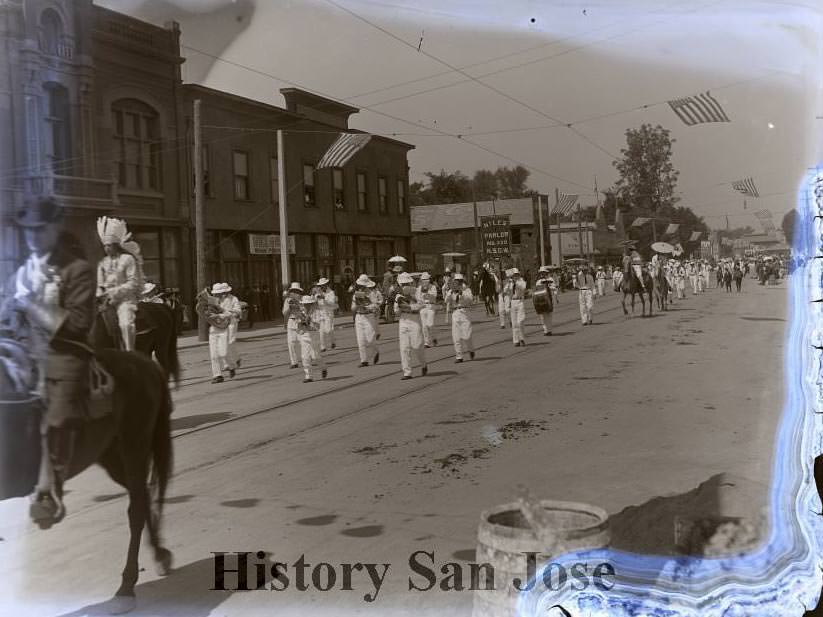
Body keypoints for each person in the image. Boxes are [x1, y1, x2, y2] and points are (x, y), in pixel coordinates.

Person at [0, 197, 95, 525]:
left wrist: (30, 306)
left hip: (63, 353)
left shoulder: (77, 269)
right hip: (22, 351)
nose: (33, 236)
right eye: (28, 230)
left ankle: (48, 489)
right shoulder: (20, 274)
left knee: (56, 416)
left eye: (40, 229)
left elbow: (80, 324)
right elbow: (5, 313)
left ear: (55, 228)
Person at [96, 216, 142, 351]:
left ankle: (129, 352)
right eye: (104, 245)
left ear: (116, 245)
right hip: (105, 302)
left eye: (109, 245)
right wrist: (99, 295)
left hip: (125, 300)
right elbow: (100, 285)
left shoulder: (127, 259)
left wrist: (113, 292)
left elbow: (133, 282)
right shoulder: (103, 263)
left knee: (126, 324)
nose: (106, 248)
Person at [395, 273, 428, 380]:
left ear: (410, 283)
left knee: (417, 345)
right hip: (404, 320)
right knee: (404, 348)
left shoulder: (417, 291)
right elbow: (396, 311)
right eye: (402, 284)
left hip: (414, 319)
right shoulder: (398, 295)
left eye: (406, 283)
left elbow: (422, 304)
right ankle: (407, 372)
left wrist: (411, 305)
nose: (404, 285)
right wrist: (400, 307)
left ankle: (423, 364)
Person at [351, 274, 381, 367]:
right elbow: (352, 308)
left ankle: (376, 351)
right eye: (360, 285)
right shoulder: (356, 294)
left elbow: (376, 306)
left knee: (370, 338)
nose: (361, 287)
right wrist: (356, 304)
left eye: (363, 285)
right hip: (359, 317)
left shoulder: (371, 293)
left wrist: (366, 305)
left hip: (369, 316)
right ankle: (364, 360)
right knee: (360, 340)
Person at [296, 295, 327, 383]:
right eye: (305, 304)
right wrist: (301, 322)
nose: (307, 306)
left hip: (314, 335)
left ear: (312, 304)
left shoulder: (316, 312)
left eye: (309, 304)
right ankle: (308, 376)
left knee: (316, 356)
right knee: (305, 357)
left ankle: (323, 367)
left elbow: (318, 326)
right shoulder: (301, 313)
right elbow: (298, 326)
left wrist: (310, 321)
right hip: (305, 335)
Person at [446, 273, 475, 363]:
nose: (456, 283)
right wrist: (450, 293)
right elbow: (446, 300)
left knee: (467, 336)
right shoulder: (451, 291)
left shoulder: (466, 290)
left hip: (464, 313)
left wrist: (461, 293)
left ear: (461, 282)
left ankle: (470, 349)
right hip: (455, 313)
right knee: (456, 337)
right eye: (455, 282)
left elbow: (470, 300)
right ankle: (459, 356)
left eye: (457, 281)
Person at [214, 282, 242, 372]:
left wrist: (229, 311)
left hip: (232, 322)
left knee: (230, 342)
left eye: (225, 292)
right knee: (222, 343)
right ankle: (229, 362)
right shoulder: (217, 300)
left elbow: (238, 310)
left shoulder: (234, 299)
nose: (223, 294)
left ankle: (235, 359)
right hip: (221, 323)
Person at [282, 282, 304, 369]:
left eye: (297, 292)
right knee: (291, 343)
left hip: (301, 323)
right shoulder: (287, 301)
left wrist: (297, 305)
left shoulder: (303, 299)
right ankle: (294, 362)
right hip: (291, 323)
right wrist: (289, 307)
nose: (295, 293)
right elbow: (284, 313)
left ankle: (306, 358)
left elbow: (305, 311)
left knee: (303, 342)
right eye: (293, 291)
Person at [313, 277, 338, 352]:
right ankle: (322, 346)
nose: (322, 286)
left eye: (324, 285)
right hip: (320, 313)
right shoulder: (318, 293)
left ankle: (333, 341)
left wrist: (324, 298)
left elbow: (332, 303)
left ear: (327, 285)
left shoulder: (331, 292)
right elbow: (314, 302)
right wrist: (315, 297)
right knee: (321, 330)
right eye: (321, 285)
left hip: (328, 313)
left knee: (328, 330)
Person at [417, 272, 438, 347]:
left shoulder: (433, 287)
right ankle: (427, 342)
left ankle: (434, 337)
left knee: (430, 324)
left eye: (426, 280)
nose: (425, 281)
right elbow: (418, 298)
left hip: (431, 307)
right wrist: (421, 299)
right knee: (424, 326)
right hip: (423, 307)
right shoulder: (419, 288)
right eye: (423, 280)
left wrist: (428, 294)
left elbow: (434, 296)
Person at [533, 266, 554, 336]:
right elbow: (536, 290)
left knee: (549, 314)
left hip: (549, 298)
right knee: (542, 316)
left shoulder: (550, 279)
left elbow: (554, 287)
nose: (542, 274)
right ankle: (545, 330)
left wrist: (549, 286)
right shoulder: (538, 281)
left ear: (546, 273)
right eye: (541, 273)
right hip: (541, 299)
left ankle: (549, 330)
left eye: (543, 273)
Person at [509, 268, 527, 347]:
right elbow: (506, 291)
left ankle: (522, 338)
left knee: (520, 321)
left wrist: (516, 283)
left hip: (520, 301)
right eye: (514, 275)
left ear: (518, 275)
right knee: (514, 323)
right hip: (513, 302)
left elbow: (523, 288)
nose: (515, 276)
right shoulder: (510, 283)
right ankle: (516, 341)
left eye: (516, 275)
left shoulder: (521, 281)